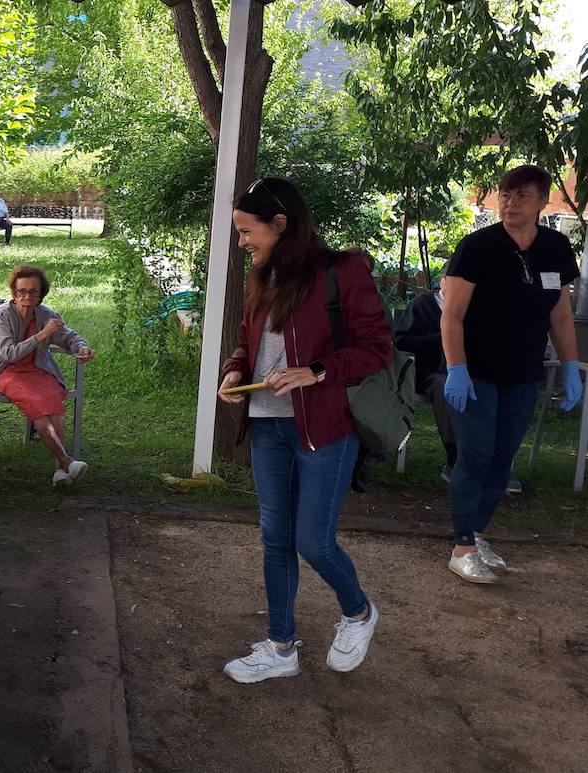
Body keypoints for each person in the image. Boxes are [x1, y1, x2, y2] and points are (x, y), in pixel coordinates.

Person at [217, 177, 390, 683]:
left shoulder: (343, 270)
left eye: (249, 232)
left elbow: (377, 346)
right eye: (240, 233)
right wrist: (234, 369)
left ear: (281, 224)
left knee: (313, 542)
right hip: (268, 425)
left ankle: (358, 612)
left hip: (326, 428)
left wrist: (315, 371)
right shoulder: (262, 275)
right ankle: (280, 647)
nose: (243, 242)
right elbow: (251, 344)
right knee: (275, 539)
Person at [440, 164, 581, 584]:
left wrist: (571, 365)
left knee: (503, 458)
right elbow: (452, 316)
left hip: (523, 373)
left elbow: (561, 313)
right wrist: (456, 369)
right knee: (476, 454)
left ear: (542, 201)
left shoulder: (555, 247)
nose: (509, 203)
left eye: (521, 195)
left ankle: (478, 534)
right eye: (504, 194)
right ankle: (461, 546)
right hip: (476, 372)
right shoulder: (478, 247)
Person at [0, 264, 94, 485]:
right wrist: (41, 335)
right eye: (21, 291)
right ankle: (67, 461)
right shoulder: (1, 314)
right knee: (39, 406)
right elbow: (9, 354)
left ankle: (59, 472)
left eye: (33, 291)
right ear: (14, 292)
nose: (26, 296)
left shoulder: (47, 314)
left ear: (41, 294)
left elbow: (69, 337)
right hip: (7, 372)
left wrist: (82, 348)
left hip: (38, 371)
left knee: (53, 403)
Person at [393, 275, 460, 480]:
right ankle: (455, 459)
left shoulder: (467, 308)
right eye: (454, 281)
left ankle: (489, 460)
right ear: (442, 281)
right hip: (426, 372)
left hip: (461, 371)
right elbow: (399, 341)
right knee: (444, 387)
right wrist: (440, 339)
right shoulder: (423, 305)